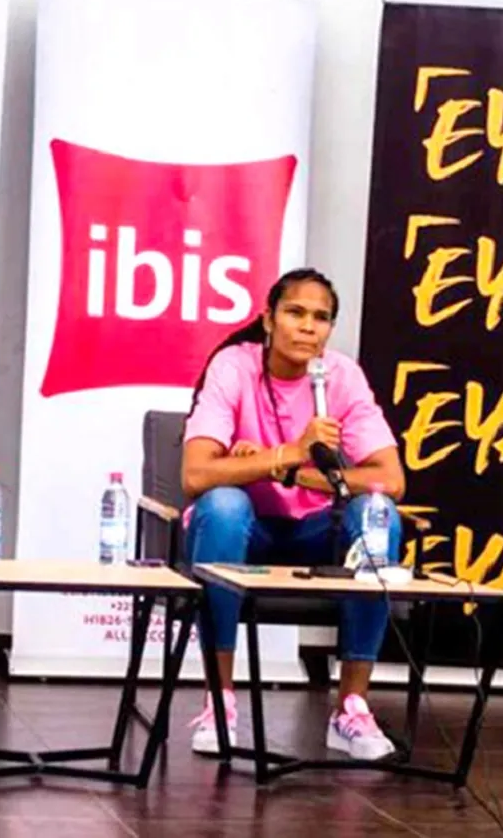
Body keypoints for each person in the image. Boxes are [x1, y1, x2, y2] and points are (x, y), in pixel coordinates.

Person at [180, 268, 406, 760]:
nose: (308, 327)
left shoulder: (341, 377)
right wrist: (289, 451)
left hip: (314, 533)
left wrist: (283, 471)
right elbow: (196, 475)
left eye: (321, 318)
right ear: (268, 319)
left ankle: (351, 708)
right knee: (222, 504)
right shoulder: (232, 367)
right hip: (245, 530)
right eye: (295, 313)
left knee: (377, 511)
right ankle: (219, 702)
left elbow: (389, 478)